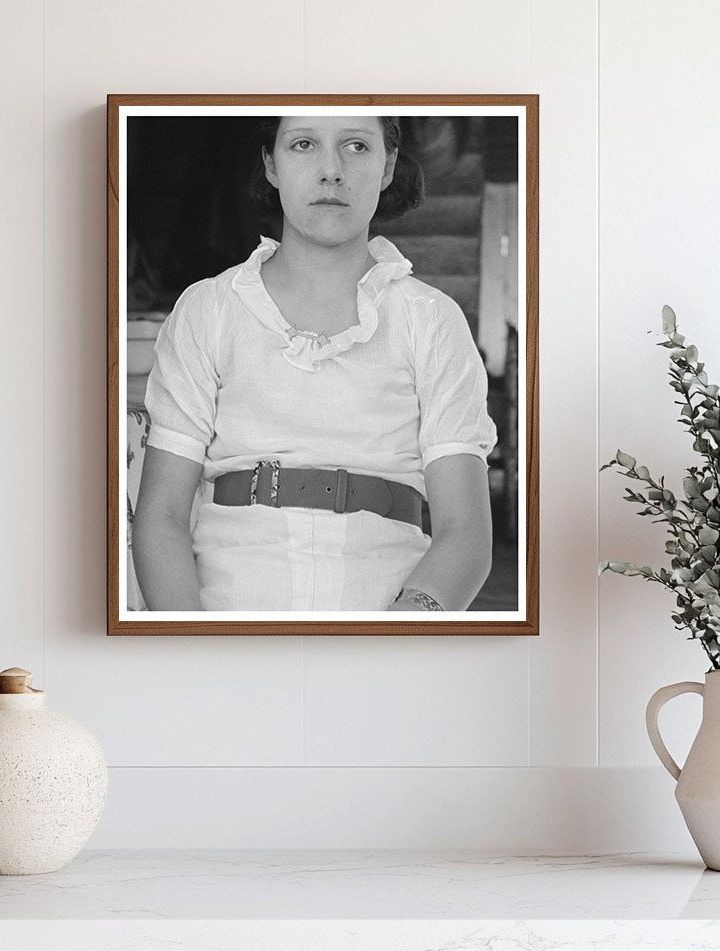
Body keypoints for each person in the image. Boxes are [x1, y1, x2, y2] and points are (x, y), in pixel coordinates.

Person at [132, 115, 497, 612]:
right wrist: (197, 650)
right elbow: (162, 515)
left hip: (387, 607)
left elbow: (465, 532)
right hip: (228, 609)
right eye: (304, 144)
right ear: (271, 164)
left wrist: (400, 636)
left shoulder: (430, 319)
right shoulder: (208, 310)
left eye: (357, 147)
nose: (332, 170)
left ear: (388, 166)